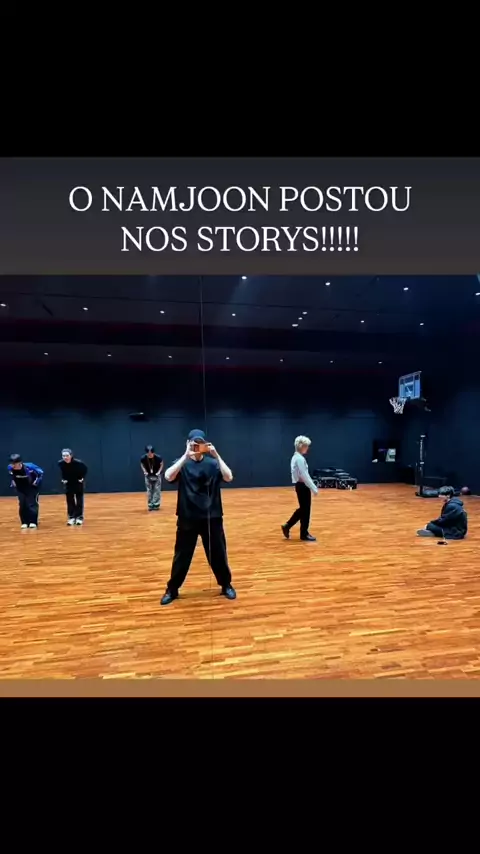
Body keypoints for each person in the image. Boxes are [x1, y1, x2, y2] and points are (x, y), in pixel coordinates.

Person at [160, 429, 236, 605]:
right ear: (188, 444)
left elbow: (229, 477)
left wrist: (216, 455)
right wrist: (185, 455)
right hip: (187, 517)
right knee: (182, 555)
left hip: (212, 517)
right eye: (194, 443)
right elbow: (168, 476)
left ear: (205, 445)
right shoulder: (182, 464)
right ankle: (172, 589)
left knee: (218, 553)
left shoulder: (213, 463)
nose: (197, 446)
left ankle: (226, 584)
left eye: (200, 443)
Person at [281, 435, 318, 542]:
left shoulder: (295, 457)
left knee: (303, 509)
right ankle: (303, 533)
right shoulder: (300, 459)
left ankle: (288, 526)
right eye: (306, 446)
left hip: (299, 485)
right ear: (302, 446)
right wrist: (313, 487)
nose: (307, 448)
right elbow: (304, 475)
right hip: (303, 486)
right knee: (305, 510)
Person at [8, 454, 44, 529]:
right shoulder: (10, 468)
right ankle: (24, 522)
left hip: (32, 487)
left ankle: (33, 522)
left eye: (14, 463)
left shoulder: (30, 467)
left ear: (19, 463)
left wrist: (36, 482)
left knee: (31, 503)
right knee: (22, 504)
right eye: (12, 463)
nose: (13, 465)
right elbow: (12, 476)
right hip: (21, 488)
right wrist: (13, 482)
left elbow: (41, 473)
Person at [58, 449, 88, 526]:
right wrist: (63, 479)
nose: (65, 457)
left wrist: (82, 478)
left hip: (78, 483)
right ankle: (71, 517)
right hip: (69, 483)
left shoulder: (78, 463)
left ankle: (79, 517)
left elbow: (85, 469)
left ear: (71, 455)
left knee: (79, 500)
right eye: (63, 456)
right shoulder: (61, 463)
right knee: (70, 500)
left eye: (67, 455)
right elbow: (63, 472)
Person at [140, 445, 164, 511]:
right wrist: (144, 471)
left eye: (151, 453)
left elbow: (162, 464)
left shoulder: (158, 457)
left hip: (156, 475)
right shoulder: (143, 458)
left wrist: (159, 472)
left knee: (157, 490)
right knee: (149, 490)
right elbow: (141, 464)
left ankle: (156, 504)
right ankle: (150, 504)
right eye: (148, 453)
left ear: (153, 452)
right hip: (148, 475)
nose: (150, 454)